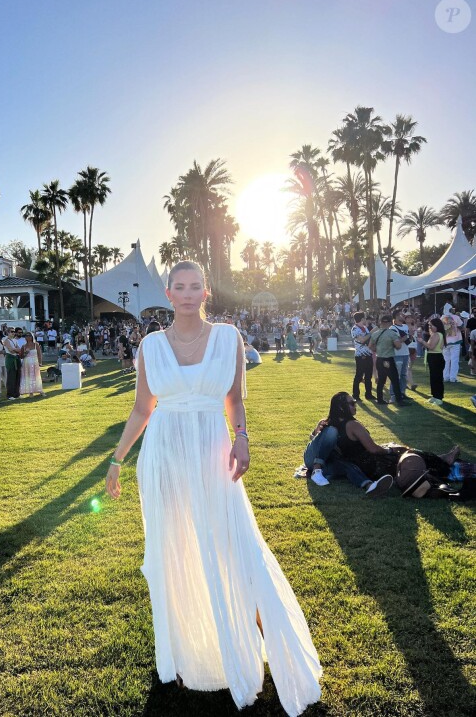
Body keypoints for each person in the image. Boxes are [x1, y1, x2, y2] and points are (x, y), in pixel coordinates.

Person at [105, 261, 321, 714]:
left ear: (206, 292)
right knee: (175, 553)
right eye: (179, 287)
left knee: (232, 545)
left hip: (212, 451)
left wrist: (242, 437)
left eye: (195, 286)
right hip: (164, 456)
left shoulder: (228, 338)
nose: (187, 293)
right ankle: (188, 654)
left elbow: (235, 399)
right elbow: (142, 409)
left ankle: (247, 642)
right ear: (168, 293)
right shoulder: (149, 346)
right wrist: (117, 460)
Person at [306, 391, 461, 492]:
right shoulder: (352, 425)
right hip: (370, 463)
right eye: (351, 403)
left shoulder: (327, 424)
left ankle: (438, 461)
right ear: (341, 408)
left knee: (399, 456)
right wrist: (389, 450)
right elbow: (373, 449)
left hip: (356, 465)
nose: (355, 405)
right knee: (406, 452)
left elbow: (316, 440)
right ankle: (442, 462)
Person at [369, 315, 407, 406]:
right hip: (388, 360)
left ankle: (380, 399)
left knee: (381, 380)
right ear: (390, 323)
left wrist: (377, 350)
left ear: (381, 322)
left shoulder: (375, 334)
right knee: (394, 380)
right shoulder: (392, 334)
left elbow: (370, 346)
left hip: (379, 359)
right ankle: (399, 400)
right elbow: (398, 346)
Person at [417, 318, 446, 405]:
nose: (429, 327)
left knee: (437, 378)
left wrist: (422, 341)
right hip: (434, 357)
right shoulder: (437, 334)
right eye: (429, 325)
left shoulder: (437, 334)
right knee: (434, 378)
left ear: (437, 325)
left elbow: (431, 346)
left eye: (431, 325)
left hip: (435, 357)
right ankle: (435, 396)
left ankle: (438, 397)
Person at [350, 311, 375, 401]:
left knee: (368, 376)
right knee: (359, 376)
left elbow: (369, 340)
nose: (366, 319)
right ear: (361, 319)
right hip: (360, 355)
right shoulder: (355, 329)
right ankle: (355, 395)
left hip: (368, 354)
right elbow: (363, 340)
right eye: (364, 318)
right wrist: (372, 332)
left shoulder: (365, 328)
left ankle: (368, 394)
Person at [19, 332, 45, 397]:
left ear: (32, 336)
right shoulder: (24, 346)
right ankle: (30, 392)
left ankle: (40, 390)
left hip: (35, 362)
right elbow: (21, 356)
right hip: (26, 363)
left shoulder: (36, 344)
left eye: (29, 336)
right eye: (26, 336)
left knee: (36, 376)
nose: (28, 337)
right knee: (28, 376)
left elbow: (39, 354)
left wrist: (40, 362)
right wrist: (25, 353)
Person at [2, 327, 22, 400]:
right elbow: (11, 350)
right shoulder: (6, 340)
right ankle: (10, 395)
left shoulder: (15, 340)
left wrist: (15, 350)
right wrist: (16, 350)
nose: (13, 333)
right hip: (10, 359)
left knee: (18, 377)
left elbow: (19, 349)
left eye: (14, 331)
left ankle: (17, 393)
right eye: (11, 331)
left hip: (16, 359)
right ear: (8, 332)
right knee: (11, 377)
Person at [441, 314, 462, 383]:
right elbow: (461, 326)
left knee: (446, 360)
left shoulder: (442, 317)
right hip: (455, 341)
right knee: (454, 360)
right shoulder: (456, 317)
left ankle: (446, 377)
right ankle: (453, 377)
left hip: (445, 341)